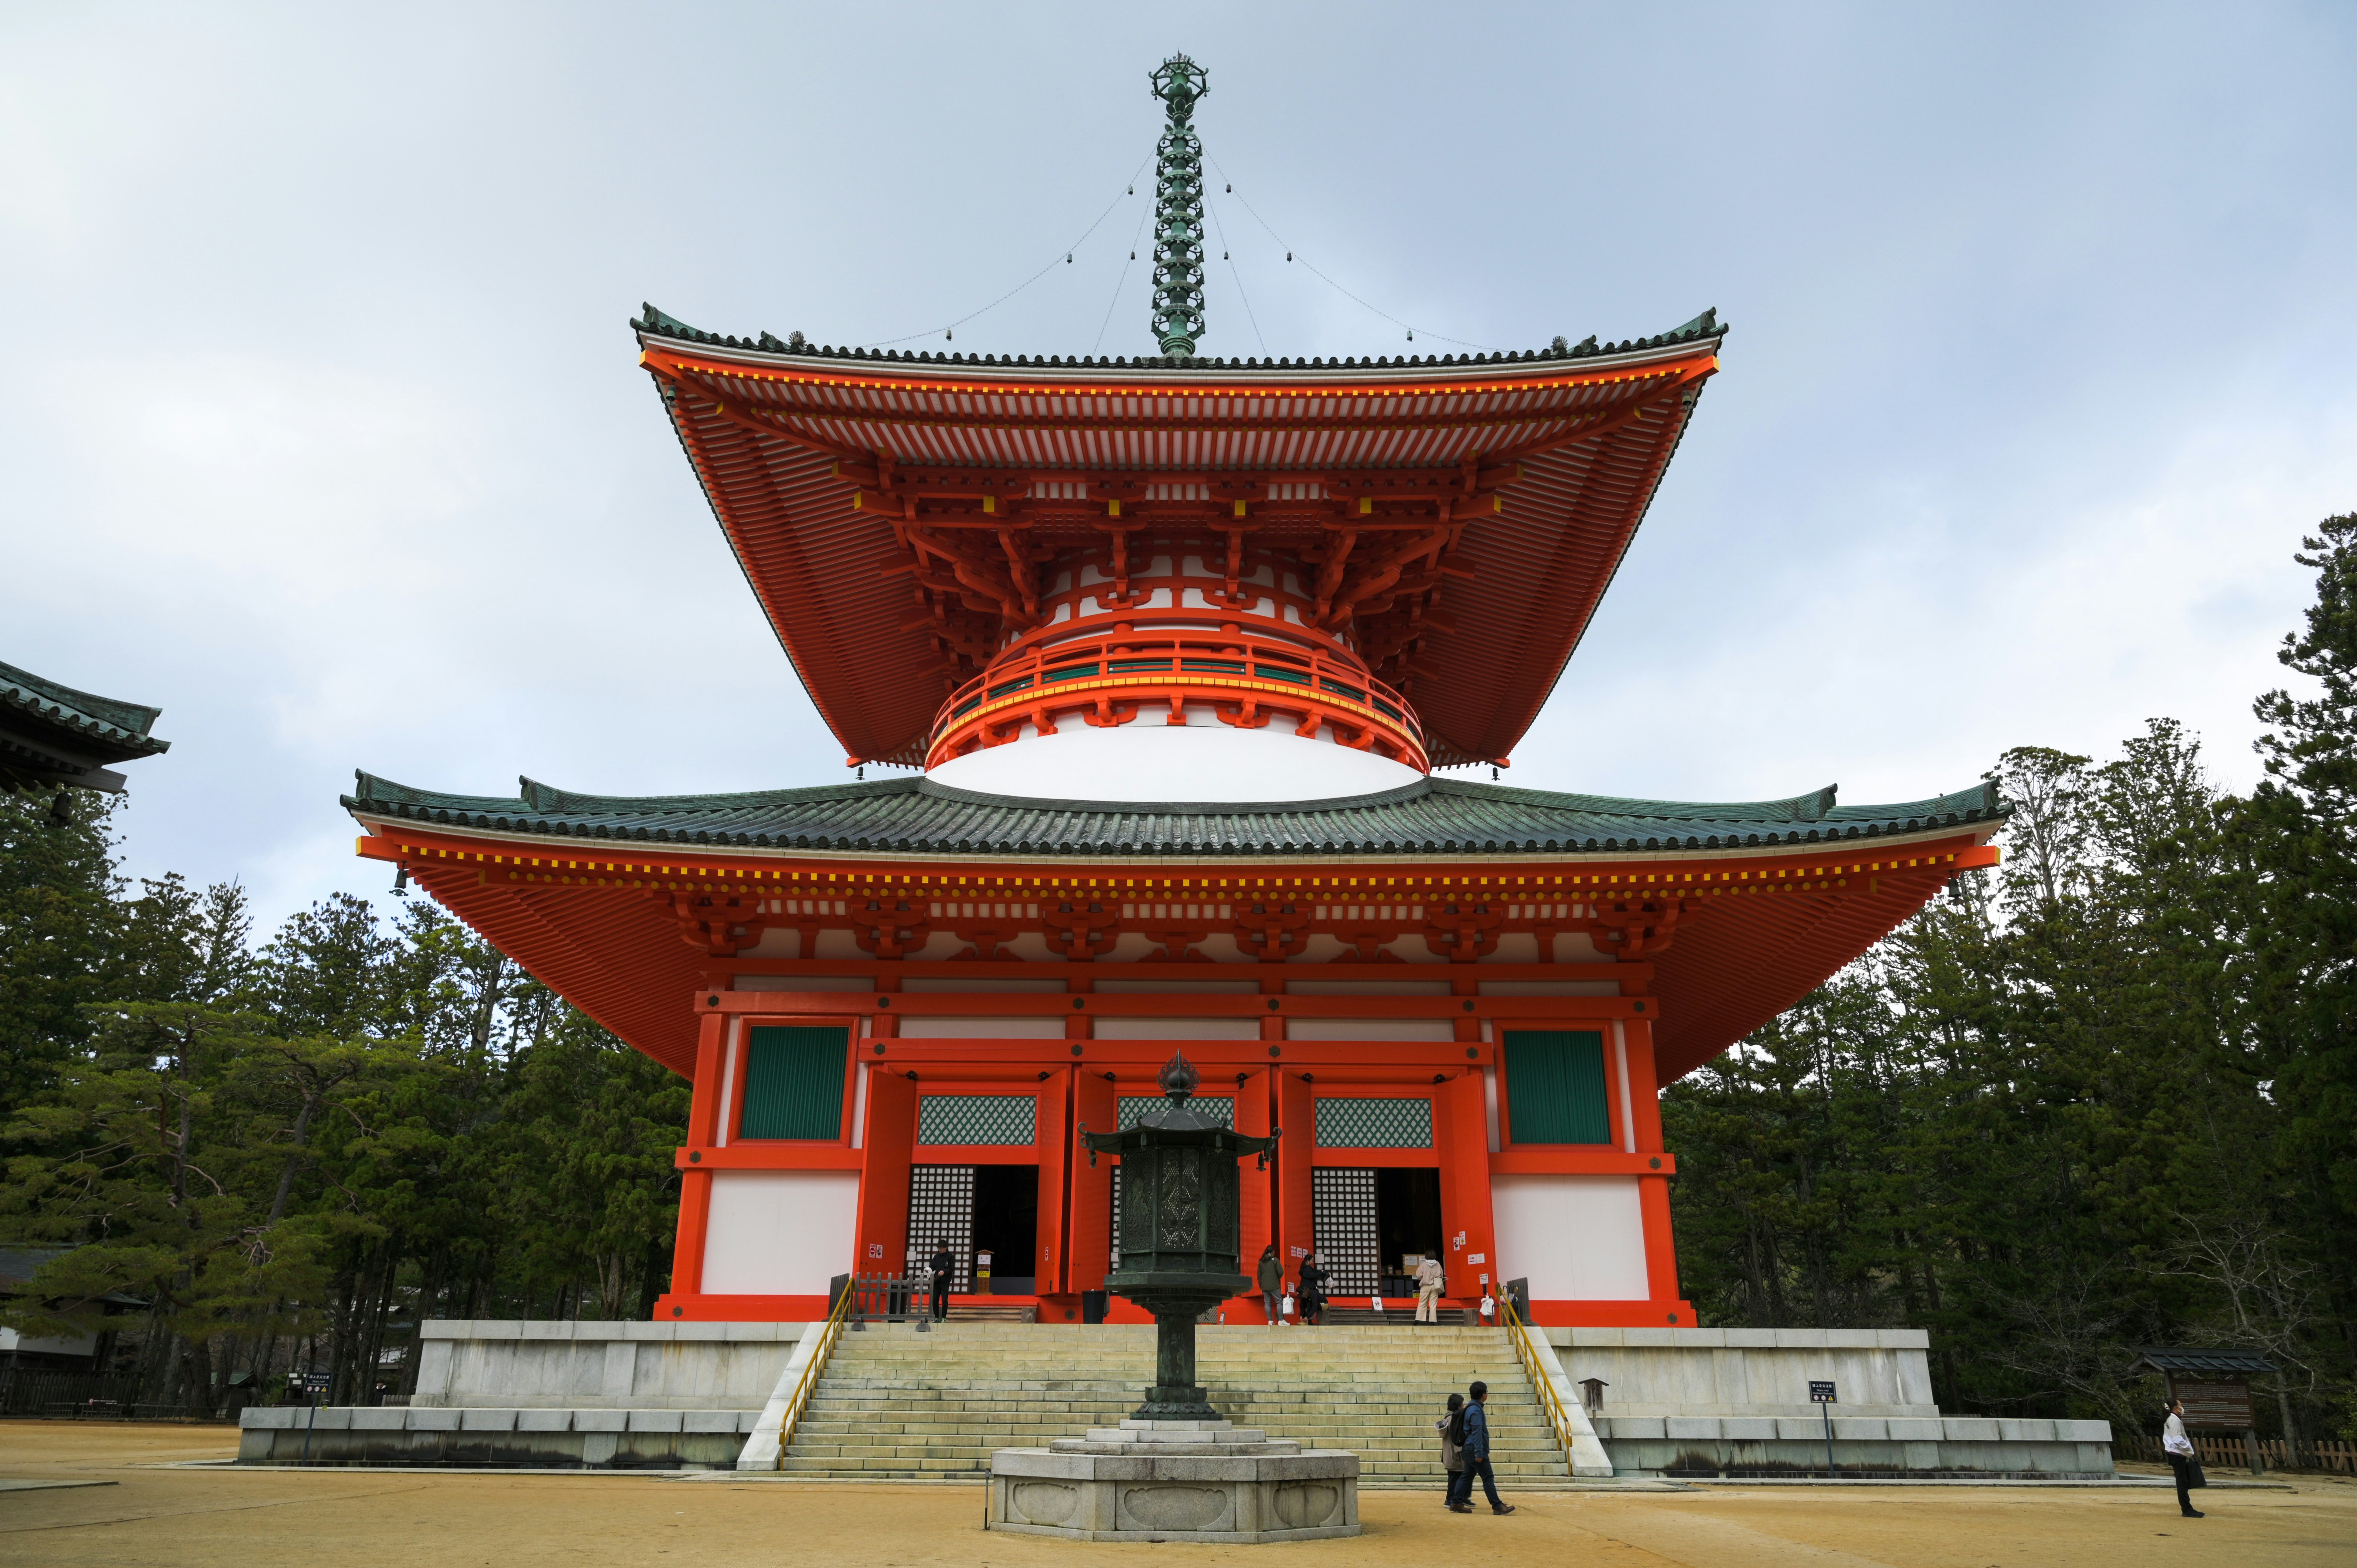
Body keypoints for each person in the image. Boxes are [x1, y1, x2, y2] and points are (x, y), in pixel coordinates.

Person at [1445, 1379, 1515, 1515]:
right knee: (1488, 1477)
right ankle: (1497, 1505)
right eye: (1487, 1392)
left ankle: (1456, 1502)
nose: (1487, 1394)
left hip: (1469, 1448)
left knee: (1466, 1476)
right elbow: (1477, 1432)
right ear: (1484, 1395)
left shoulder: (1471, 1408)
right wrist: (1479, 1452)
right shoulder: (1476, 1410)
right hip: (1475, 1449)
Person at [2162, 1397, 2205, 1518]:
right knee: (2182, 1482)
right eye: (2180, 1405)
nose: (2182, 1408)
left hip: (2175, 1453)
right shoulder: (2174, 1420)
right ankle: (2186, 1509)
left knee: (2183, 1481)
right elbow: (2177, 1439)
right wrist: (2190, 1450)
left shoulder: (2170, 1419)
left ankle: (2187, 1508)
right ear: (2176, 1408)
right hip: (2176, 1453)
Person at [1436, 1392, 1466, 1499]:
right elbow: (1457, 1437)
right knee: (1455, 1479)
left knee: (1453, 1478)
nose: (1464, 1406)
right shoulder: (1454, 1419)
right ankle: (1450, 1500)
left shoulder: (1447, 1418)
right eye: (1462, 1404)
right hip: (1455, 1455)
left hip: (1449, 1454)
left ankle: (1453, 1499)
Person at [1414, 1255, 1447, 1325]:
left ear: (1427, 1256)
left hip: (1425, 1286)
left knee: (1422, 1303)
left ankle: (1419, 1320)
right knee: (1433, 1305)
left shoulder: (1424, 1265)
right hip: (1435, 1286)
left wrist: (1425, 1277)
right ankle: (1433, 1321)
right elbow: (1441, 1275)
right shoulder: (1438, 1264)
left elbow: (1418, 1275)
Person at [1257, 1244, 1283, 1327]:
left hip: (1265, 1286)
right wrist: (1276, 1278)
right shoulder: (1275, 1260)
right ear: (1272, 1252)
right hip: (1274, 1285)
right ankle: (1281, 1320)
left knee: (1267, 1303)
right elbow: (1281, 1272)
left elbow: (1259, 1276)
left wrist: (1261, 1286)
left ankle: (1270, 1321)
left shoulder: (1261, 1262)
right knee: (1279, 1302)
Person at [1298, 1254, 1327, 1326]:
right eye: (1312, 1261)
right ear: (1308, 1261)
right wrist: (1301, 1315)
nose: (1313, 1262)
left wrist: (1307, 1317)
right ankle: (1307, 1321)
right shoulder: (1307, 1269)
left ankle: (1308, 1321)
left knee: (1309, 1303)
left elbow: (1314, 1306)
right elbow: (1313, 1276)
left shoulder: (1306, 1269)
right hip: (1308, 1288)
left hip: (1323, 1304)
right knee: (1306, 1303)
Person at [928, 1244, 954, 1322]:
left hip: (945, 1281)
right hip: (937, 1281)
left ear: (946, 1248)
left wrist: (944, 1272)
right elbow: (932, 1266)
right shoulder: (936, 1256)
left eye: (942, 1248)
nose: (940, 1250)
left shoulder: (950, 1256)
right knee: (935, 1299)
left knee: (944, 1300)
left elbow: (951, 1268)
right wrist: (929, 1269)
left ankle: (944, 1318)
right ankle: (936, 1317)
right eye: (939, 1248)